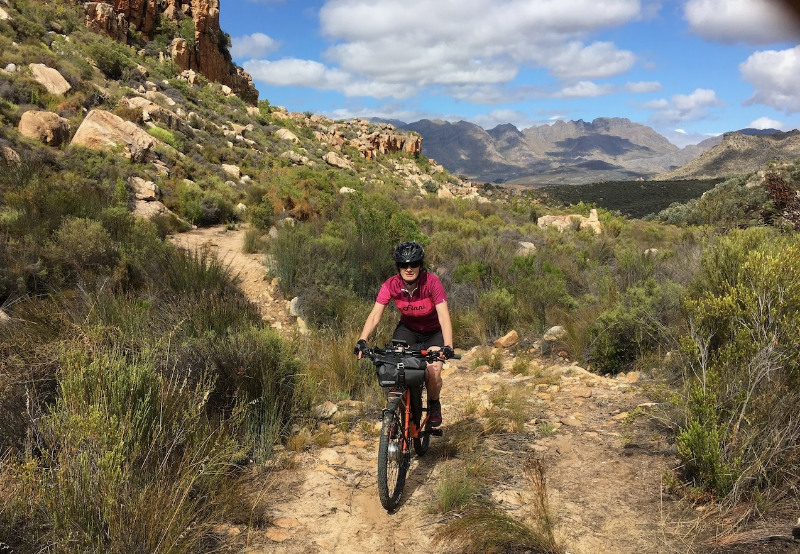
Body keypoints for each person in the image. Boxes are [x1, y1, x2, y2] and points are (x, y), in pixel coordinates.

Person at [354, 241, 454, 427]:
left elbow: (443, 316)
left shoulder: (431, 282)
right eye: (403, 265)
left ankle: (433, 404)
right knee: (397, 365)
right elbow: (375, 314)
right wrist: (362, 339)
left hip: (433, 332)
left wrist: (447, 345)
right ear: (398, 267)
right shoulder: (391, 285)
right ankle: (400, 412)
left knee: (433, 371)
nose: (409, 268)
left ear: (420, 265)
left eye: (413, 264)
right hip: (408, 329)